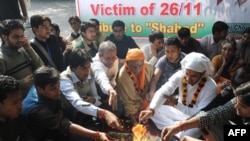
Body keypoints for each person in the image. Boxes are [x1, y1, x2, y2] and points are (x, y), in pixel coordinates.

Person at [22, 66, 118, 141]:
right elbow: (65, 124)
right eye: (53, 88)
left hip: (53, 122)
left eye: (58, 85)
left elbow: (59, 106)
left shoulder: (45, 88)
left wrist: (60, 113)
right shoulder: (37, 110)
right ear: (40, 89)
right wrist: (97, 134)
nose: (58, 90)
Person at [160, 66, 250, 141]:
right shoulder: (241, 97)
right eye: (236, 101)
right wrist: (180, 127)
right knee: (210, 120)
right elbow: (214, 114)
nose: (235, 106)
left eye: (242, 106)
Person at [139, 52, 217, 139]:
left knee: (191, 132)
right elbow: (163, 91)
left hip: (194, 121)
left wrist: (176, 104)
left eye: (193, 76)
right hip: (178, 113)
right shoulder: (181, 75)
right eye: (187, 73)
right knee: (153, 108)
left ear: (202, 73)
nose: (188, 78)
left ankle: (174, 129)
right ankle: (174, 128)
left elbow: (199, 115)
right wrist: (152, 110)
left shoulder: (211, 87)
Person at [60, 48, 123, 140]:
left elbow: (98, 91)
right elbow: (77, 103)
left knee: (119, 106)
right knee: (79, 136)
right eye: (83, 68)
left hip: (88, 110)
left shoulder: (90, 73)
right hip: (72, 115)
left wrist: (106, 92)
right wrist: (104, 113)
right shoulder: (65, 79)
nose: (87, 71)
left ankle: (97, 127)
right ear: (73, 68)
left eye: (89, 66)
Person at [0, 19, 44, 97]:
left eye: (22, 36)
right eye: (16, 37)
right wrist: (22, 82)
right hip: (21, 102)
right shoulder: (2, 59)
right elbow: (1, 86)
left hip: (37, 95)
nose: (20, 40)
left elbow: (41, 67)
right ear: (4, 37)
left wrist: (29, 49)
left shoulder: (23, 49)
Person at [116, 48, 154, 126]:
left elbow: (151, 85)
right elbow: (126, 101)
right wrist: (134, 121)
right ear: (127, 63)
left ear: (144, 62)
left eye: (140, 65)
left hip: (145, 101)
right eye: (134, 66)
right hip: (131, 104)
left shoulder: (148, 67)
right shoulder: (123, 75)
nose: (137, 69)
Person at [91, 41, 124, 116]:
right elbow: (102, 80)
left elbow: (113, 79)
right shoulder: (96, 65)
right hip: (96, 98)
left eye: (113, 57)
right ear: (100, 56)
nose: (111, 61)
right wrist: (110, 90)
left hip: (110, 92)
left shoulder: (115, 60)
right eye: (108, 58)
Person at [0, 75, 31, 141]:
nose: (20, 106)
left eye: (20, 99)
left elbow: (26, 133)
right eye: (14, 103)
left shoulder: (18, 115)